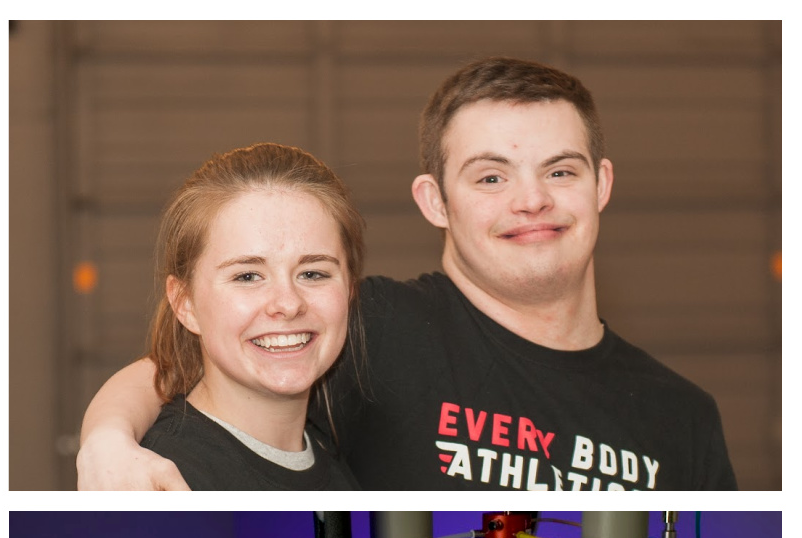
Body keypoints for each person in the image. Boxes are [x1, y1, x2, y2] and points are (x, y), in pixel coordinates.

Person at [78, 57, 738, 492]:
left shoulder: (683, 419)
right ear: (434, 200)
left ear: (602, 184)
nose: (531, 200)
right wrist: (106, 441)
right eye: (490, 176)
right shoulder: (371, 327)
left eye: (561, 170)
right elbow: (186, 364)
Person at [136, 144, 362, 489]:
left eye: (313, 273)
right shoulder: (167, 481)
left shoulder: (332, 452)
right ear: (185, 303)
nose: (288, 304)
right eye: (247, 276)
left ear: (350, 289)